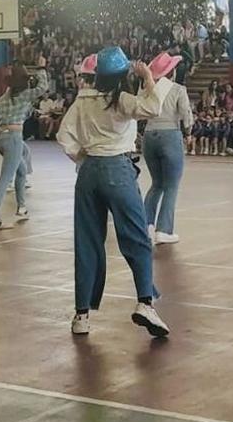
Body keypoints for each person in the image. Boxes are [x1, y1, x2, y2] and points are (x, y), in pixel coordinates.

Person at [56, 47, 168, 338]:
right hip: (118, 168)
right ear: (122, 76)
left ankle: (82, 315)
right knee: (136, 238)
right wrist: (148, 79)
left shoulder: (82, 101)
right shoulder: (122, 100)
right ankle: (145, 302)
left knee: (87, 241)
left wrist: (81, 156)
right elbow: (153, 107)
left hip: (89, 172)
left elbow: (63, 134)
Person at [0, 62, 49, 229]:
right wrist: (41, 69)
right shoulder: (25, 95)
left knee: (21, 170)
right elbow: (43, 87)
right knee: (5, 179)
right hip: (14, 138)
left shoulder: (4, 98)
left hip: (2, 138)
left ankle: (22, 207)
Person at [142, 51, 193, 245]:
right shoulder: (178, 89)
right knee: (171, 185)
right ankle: (164, 229)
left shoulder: (146, 89)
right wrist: (188, 132)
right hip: (170, 134)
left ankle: (145, 224)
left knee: (157, 183)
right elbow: (185, 114)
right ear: (171, 72)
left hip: (149, 135)